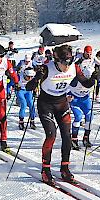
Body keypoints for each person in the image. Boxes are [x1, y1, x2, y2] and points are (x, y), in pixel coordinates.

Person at [26, 45, 84, 183]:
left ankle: (65, 168)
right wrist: (36, 78)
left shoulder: (74, 67)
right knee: (51, 135)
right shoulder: (47, 68)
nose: (67, 66)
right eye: (64, 63)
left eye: (69, 62)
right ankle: (45, 169)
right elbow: (28, 88)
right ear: (57, 60)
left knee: (67, 136)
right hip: (46, 104)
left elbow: (86, 83)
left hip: (62, 103)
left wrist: (94, 78)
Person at [68, 52, 98, 150]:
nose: (87, 80)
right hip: (75, 99)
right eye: (86, 78)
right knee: (78, 117)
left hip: (85, 99)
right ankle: (74, 139)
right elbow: (66, 87)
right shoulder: (75, 80)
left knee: (90, 117)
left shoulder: (92, 80)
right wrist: (67, 96)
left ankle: (86, 138)